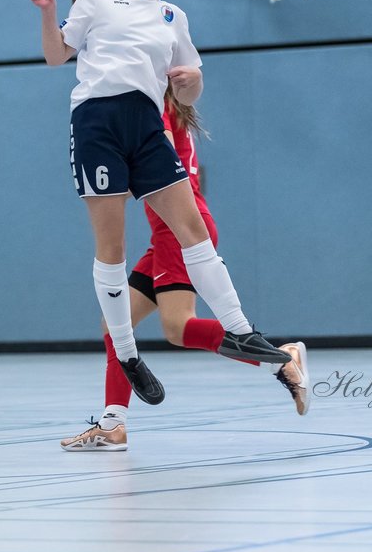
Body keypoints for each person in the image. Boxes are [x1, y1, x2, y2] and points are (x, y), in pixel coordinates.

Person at [29, 0, 300, 407]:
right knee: (111, 248)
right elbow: (56, 56)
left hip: (147, 122)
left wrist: (195, 80)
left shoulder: (174, 16)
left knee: (192, 228)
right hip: (97, 121)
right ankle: (130, 357)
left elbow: (187, 96)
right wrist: (50, 12)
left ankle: (240, 330)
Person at [60, 86, 308, 451]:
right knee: (114, 323)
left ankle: (280, 359)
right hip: (168, 230)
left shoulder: (151, 110)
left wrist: (102, 158)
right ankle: (113, 424)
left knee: (178, 327)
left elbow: (143, 171)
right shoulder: (167, 106)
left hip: (175, 230)